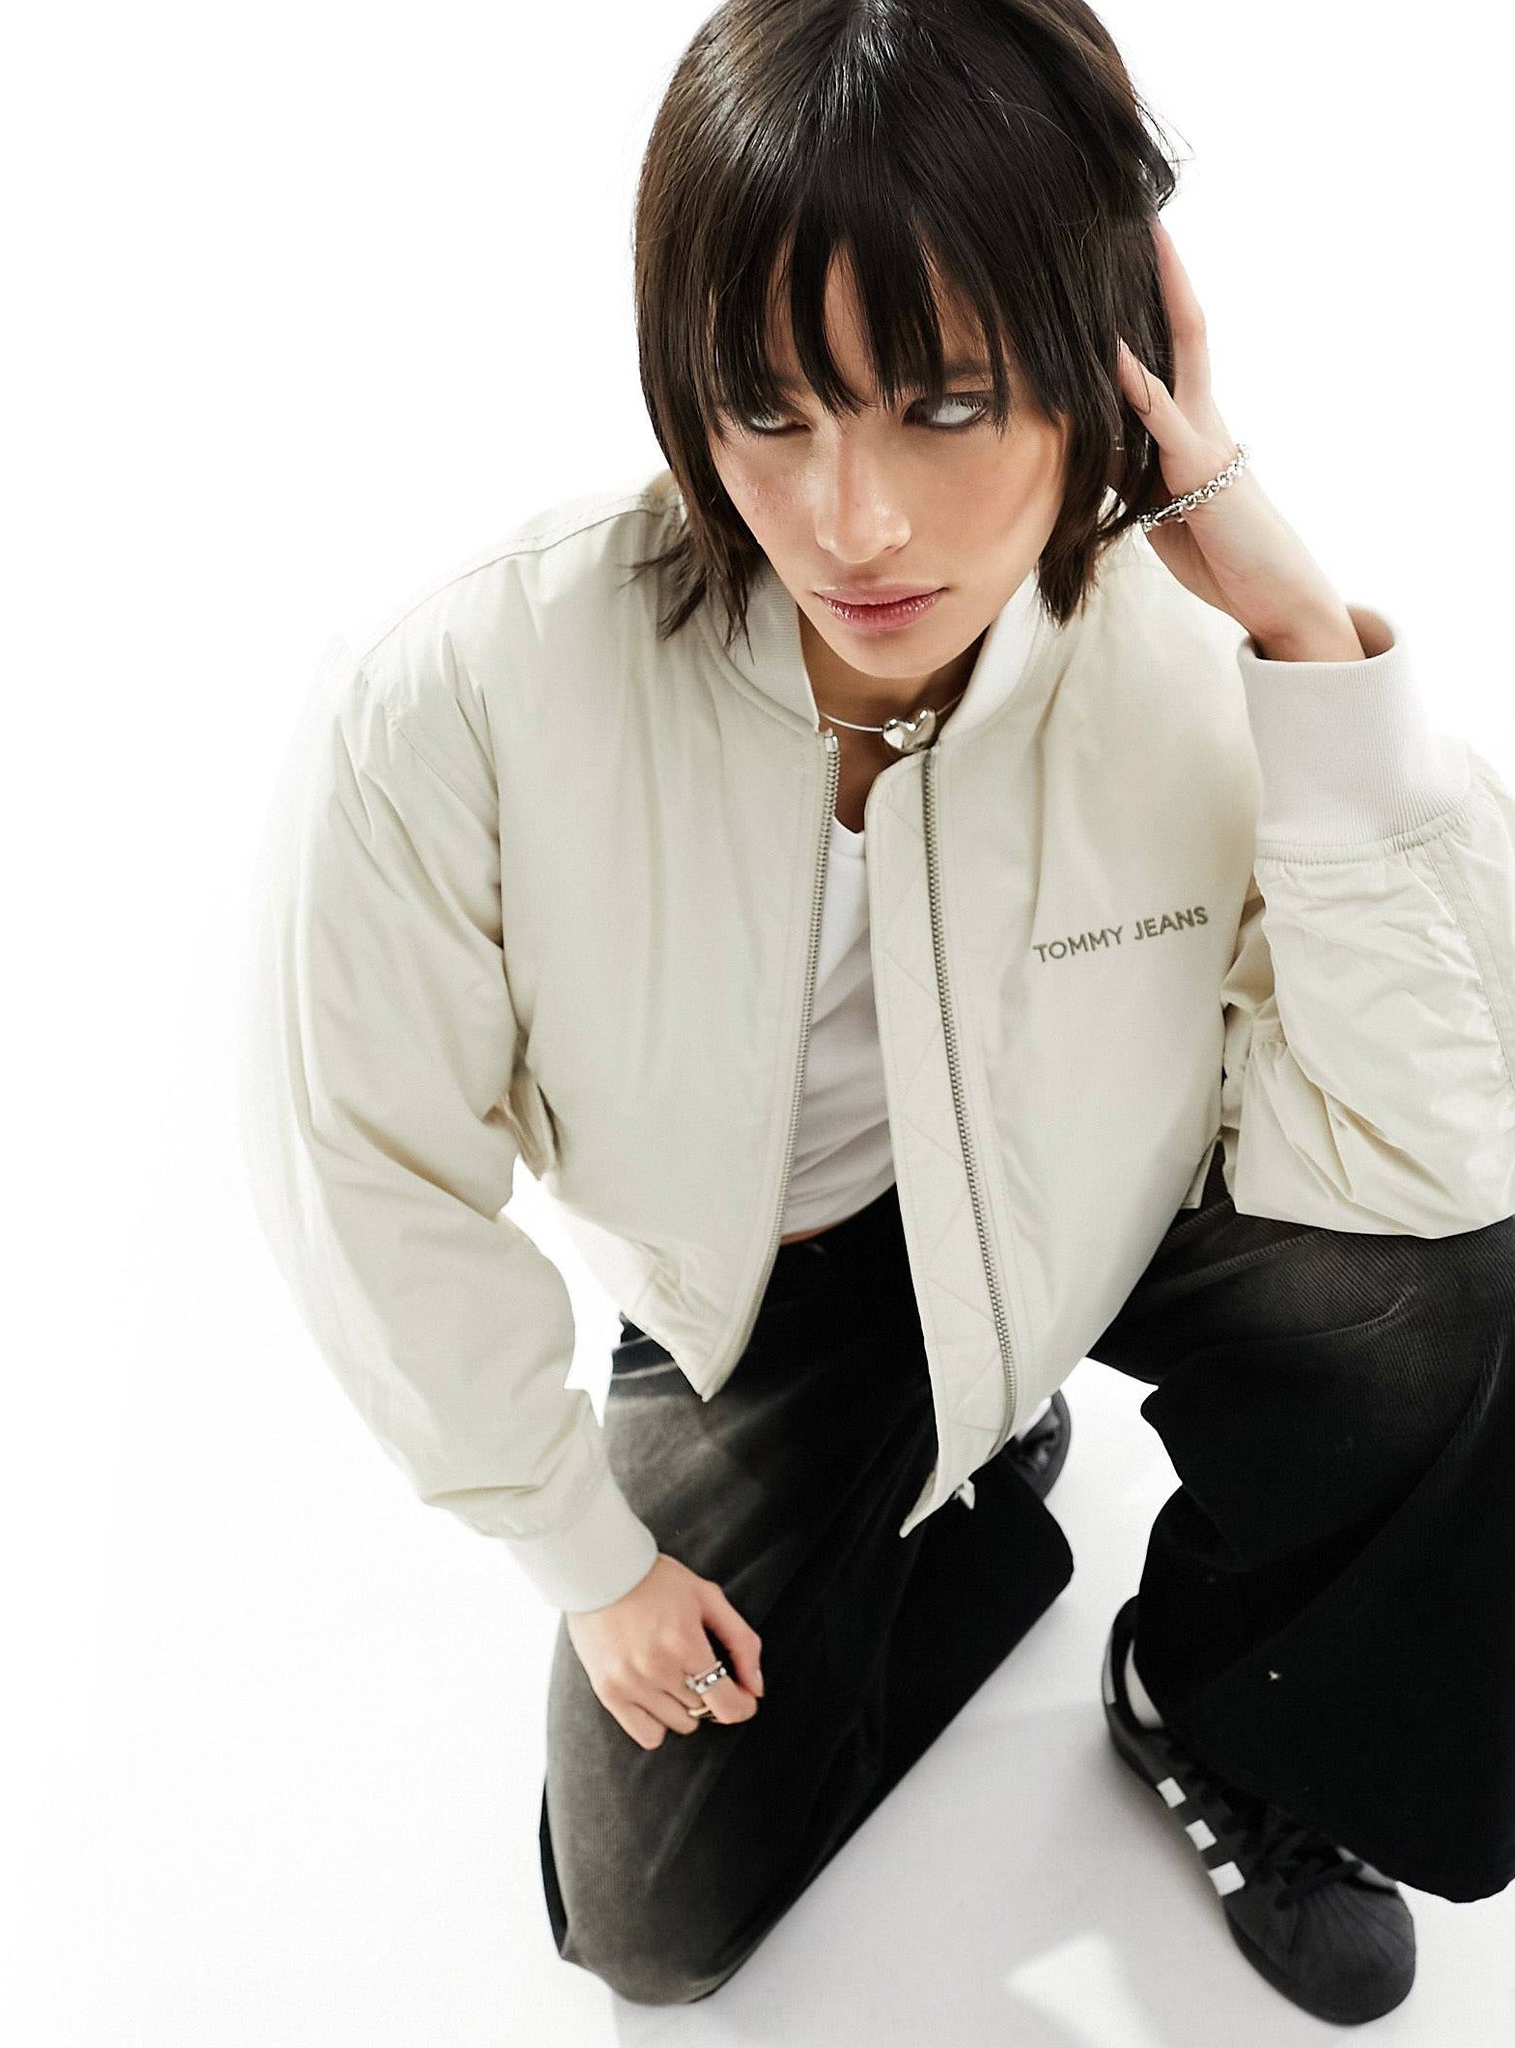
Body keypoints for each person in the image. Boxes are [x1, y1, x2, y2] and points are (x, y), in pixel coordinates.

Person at [236, 0, 1515, 2027]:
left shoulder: (1186, 659)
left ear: (1104, 363)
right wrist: (583, 1552)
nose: (851, 521)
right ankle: (959, 1483)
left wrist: (1297, 634)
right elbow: (362, 1166)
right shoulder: (469, 689)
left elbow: (1441, 1144)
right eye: (769, 408)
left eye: (943, 404)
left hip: (1103, 1197)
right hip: (774, 1288)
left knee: (1461, 1298)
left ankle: (1214, 1706)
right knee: (654, 1928)